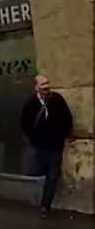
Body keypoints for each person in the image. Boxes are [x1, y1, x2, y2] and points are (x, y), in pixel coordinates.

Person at [20, 74, 73, 216]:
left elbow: (67, 119)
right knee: (39, 174)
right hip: (39, 146)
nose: (46, 88)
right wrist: (33, 139)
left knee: (53, 175)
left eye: (47, 84)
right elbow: (24, 124)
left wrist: (61, 135)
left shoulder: (57, 100)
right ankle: (37, 200)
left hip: (55, 146)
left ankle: (45, 205)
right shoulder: (30, 103)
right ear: (36, 87)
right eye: (43, 85)